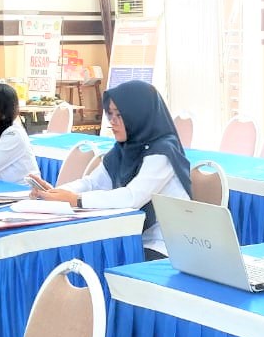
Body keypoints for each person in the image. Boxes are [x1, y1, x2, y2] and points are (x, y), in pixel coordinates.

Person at [28, 80, 190, 260]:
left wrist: (75, 200)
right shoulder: (124, 148)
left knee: (89, 260)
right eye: (110, 114)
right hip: (130, 235)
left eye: (119, 115)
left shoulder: (163, 151)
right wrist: (56, 193)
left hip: (165, 245)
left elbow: (132, 197)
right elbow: (92, 183)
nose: (112, 122)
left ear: (139, 115)